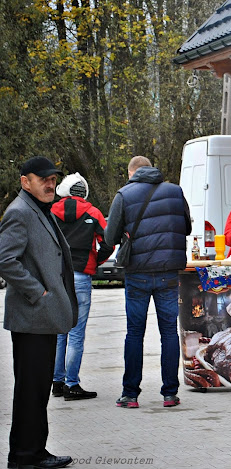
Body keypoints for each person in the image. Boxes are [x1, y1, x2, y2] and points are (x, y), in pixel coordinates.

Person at [0, 156, 77, 469]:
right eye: (43, 179)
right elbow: (5, 259)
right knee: (31, 389)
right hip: (32, 316)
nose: (50, 184)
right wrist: (38, 292)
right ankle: (23, 457)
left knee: (37, 388)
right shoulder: (19, 212)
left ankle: (35, 450)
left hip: (41, 317)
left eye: (53, 178)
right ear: (25, 181)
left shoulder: (38, 209)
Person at [105, 156, 191, 409]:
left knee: (134, 333)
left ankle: (130, 394)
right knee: (168, 333)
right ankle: (170, 393)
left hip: (137, 273)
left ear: (131, 172)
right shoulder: (175, 192)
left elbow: (110, 236)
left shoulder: (124, 194)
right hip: (168, 272)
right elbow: (185, 227)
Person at [51, 172, 114, 401]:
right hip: (80, 276)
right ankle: (72, 384)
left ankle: (57, 382)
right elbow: (108, 241)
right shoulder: (93, 212)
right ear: (84, 192)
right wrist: (94, 262)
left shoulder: (51, 211)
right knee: (76, 334)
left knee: (59, 332)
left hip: (57, 276)